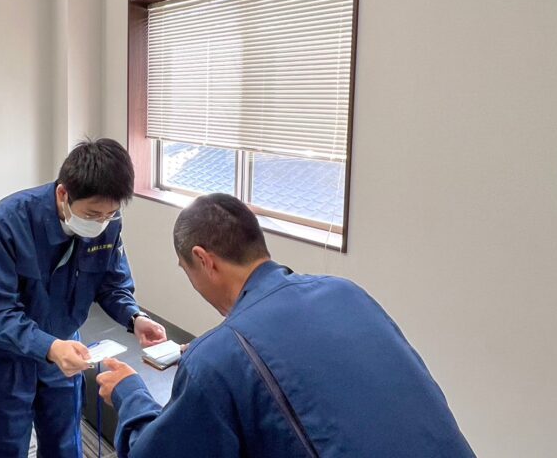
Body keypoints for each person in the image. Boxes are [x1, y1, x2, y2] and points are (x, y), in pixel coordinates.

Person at [97, 193, 475, 458]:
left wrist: (130, 393)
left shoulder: (220, 356)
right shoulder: (346, 292)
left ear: (205, 260)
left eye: (187, 270)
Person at [0, 138, 167, 457]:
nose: (101, 223)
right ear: (63, 194)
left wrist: (135, 317)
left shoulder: (108, 222)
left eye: (109, 214)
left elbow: (112, 284)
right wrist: (49, 347)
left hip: (67, 349)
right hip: (9, 358)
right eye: (93, 213)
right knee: (6, 446)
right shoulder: (10, 220)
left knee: (63, 444)